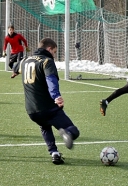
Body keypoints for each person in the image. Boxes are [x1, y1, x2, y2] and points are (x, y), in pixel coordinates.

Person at [13, 37, 80, 165]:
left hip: (31, 110)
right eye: (54, 52)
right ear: (49, 49)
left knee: (44, 126)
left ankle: (54, 153)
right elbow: (51, 81)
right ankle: (67, 134)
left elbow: (15, 68)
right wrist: (56, 96)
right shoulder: (46, 61)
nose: (54, 55)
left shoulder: (26, 60)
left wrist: (15, 72)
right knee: (74, 131)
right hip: (48, 108)